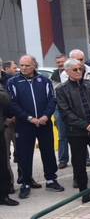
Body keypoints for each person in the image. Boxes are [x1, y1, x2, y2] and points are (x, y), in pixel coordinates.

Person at [6, 55, 64, 199]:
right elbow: (12, 103)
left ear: (34, 66)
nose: (23, 68)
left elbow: (52, 99)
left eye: (27, 65)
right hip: (24, 124)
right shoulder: (13, 82)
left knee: (48, 152)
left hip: (44, 123)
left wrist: (45, 116)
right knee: (24, 154)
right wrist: (29, 118)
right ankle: (26, 183)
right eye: (21, 65)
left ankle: (51, 179)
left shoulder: (44, 81)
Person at [56, 58, 90, 201]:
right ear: (67, 72)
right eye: (75, 69)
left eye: (81, 69)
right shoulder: (61, 89)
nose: (79, 72)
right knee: (79, 163)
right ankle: (84, 193)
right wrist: (85, 125)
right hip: (76, 133)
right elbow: (65, 113)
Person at [1, 60, 18, 192]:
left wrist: (16, 115)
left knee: (22, 152)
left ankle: (25, 179)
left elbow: (13, 98)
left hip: (16, 119)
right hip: (4, 123)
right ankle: (9, 185)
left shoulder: (10, 79)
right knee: (5, 157)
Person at [50, 54, 70, 169]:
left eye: (62, 62)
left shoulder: (73, 70)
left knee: (79, 134)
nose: (60, 64)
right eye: (58, 62)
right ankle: (63, 160)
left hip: (73, 106)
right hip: (59, 107)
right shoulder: (54, 75)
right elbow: (55, 91)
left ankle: (86, 158)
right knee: (62, 135)